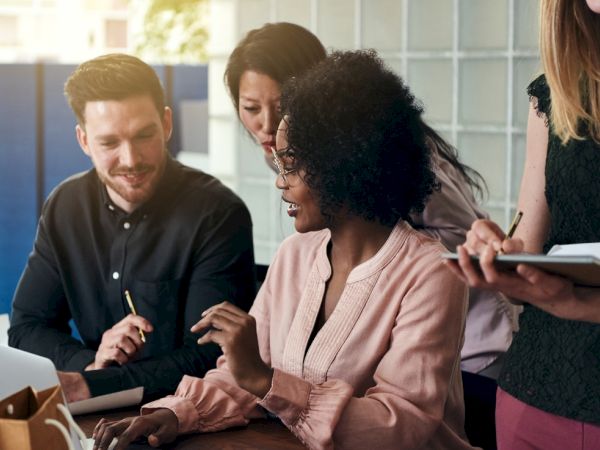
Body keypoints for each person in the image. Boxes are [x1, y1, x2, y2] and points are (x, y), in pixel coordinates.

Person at [92, 50, 475, 450]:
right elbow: (243, 378)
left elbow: (401, 425)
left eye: (291, 165)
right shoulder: (296, 254)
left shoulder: (431, 273)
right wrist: (174, 413)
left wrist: (266, 380)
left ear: (344, 165)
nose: (280, 182)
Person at [223, 21, 515, 378]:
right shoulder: (284, 153)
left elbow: (464, 239)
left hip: (472, 347)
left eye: (281, 104)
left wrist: (369, 241)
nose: (266, 125)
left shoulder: (390, 150)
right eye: (251, 108)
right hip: (398, 345)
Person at [8, 53, 256, 403]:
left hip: (188, 414)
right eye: (109, 143)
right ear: (83, 141)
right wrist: (90, 363)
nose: (131, 160)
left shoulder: (218, 213)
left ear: (166, 124)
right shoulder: (65, 205)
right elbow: (27, 327)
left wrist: (96, 384)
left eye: (143, 136)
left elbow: (210, 355)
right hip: (96, 413)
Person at [449, 0, 600, 447]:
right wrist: (500, 251)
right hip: (535, 390)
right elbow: (526, 240)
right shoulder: (554, 94)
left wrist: (575, 302)